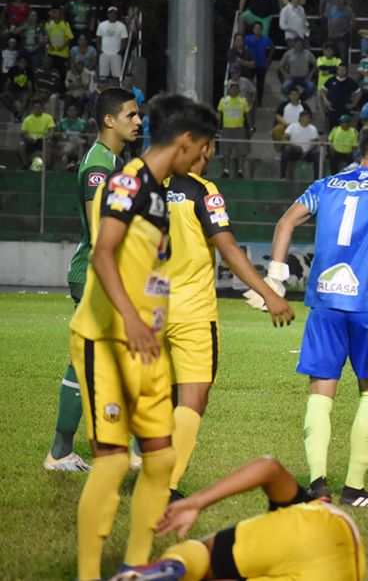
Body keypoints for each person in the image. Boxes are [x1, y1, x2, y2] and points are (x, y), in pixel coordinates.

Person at [69, 95, 219, 580]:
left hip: (147, 345)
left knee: (160, 459)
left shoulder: (160, 193)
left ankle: (134, 567)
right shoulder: (127, 181)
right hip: (107, 341)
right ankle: (88, 574)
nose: (204, 158)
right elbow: (103, 253)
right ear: (185, 142)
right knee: (113, 462)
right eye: (202, 148)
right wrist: (133, 319)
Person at [269, 123, 368, 507]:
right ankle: (355, 488)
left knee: (321, 393)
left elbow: (286, 222)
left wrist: (275, 277)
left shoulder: (326, 184)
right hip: (367, 306)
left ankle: (318, 484)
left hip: (325, 304)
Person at [164, 139, 294, 500]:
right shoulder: (202, 191)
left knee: (162, 395)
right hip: (191, 311)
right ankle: (167, 484)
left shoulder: (149, 185)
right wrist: (269, 293)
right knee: (192, 399)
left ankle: (145, 460)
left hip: (150, 307)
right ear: (201, 149)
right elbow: (228, 248)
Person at [43, 89, 140, 472]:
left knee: (89, 361)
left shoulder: (112, 161)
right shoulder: (99, 165)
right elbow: (102, 231)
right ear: (109, 120)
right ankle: (137, 450)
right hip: (98, 275)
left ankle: (63, 451)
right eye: (131, 115)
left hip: (99, 274)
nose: (138, 121)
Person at [109, 458, 365, 581]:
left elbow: (269, 468)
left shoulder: (304, 510)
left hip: (320, 525)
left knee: (204, 557)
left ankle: (178, 563)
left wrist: (198, 502)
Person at [216, 81, 252, 179]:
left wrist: (250, 127)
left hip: (239, 128)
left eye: (236, 88)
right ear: (229, 90)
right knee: (225, 151)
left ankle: (240, 171)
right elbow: (219, 114)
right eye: (232, 88)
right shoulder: (223, 101)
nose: (234, 90)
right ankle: (226, 170)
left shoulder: (243, 101)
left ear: (238, 90)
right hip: (227, 128)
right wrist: (217, 126)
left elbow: (247, 114)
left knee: (241, 151)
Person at [281, 111, 322, 180]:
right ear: (301, 118)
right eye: (306, 117)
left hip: (308, 153)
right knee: (286, 151)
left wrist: (307, 151)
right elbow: (284, 139)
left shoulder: (313, 128)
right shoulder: (292, 126)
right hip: (295, 151)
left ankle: (316, 178)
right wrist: (294, 146)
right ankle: (283, 176)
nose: (308, 119)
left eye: (309, 117)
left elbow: (314, 143)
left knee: (317, 154)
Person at [18, 99, 54, 169]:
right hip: (30, 140)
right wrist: (28, 138)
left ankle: (48, 166)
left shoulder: (48, 117)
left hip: (43, 140)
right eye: (35, 108)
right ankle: (25, 165)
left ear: (42, 108)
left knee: (49, 143)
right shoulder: (27, 119)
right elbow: (23, 133)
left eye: (39, 108)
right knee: (21, 145)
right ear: (32, 109)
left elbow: (51, 130)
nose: (37, 109)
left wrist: (48, 137)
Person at [244, 22, 273, 106]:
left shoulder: (266, 39)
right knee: (248, 83)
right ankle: (248, 101)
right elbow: (242, 47)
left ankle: (259, 102)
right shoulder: (248, 38)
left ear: (261, 29)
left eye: (259, 28)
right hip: (250, 65)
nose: (257, 30)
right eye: (256, 28)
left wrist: (268, 59)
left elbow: (272, 47)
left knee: (260, 84)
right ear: (253, 29)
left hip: (261, 64)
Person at [95, 6, 128, 80]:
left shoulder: (122, 26)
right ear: (108, 14)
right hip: (104, 53)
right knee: (103, 76)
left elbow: (124, 40)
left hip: (116, 54)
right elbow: (98, 38)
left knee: (116, 76)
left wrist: (120, 51)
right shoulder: (101, 25)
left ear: (116, 15)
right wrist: (100, 50)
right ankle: (104, 87)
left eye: (114, 13)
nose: (112, 15)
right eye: (110, 13)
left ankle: (116, 87)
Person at [44, 5, 74, 78]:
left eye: (58, 13)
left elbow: (70, 38)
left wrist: (62, 47)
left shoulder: (65, 24)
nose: (56, 15)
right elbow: (47, 37)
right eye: (55, 13)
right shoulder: (48, 24)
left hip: (62, 54)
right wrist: (50, 45)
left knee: (61, 74)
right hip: (51, 53)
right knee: (49, 73)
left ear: (60, 14)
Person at [326, 0, 354, 64]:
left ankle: (343, 70)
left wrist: (344, 32)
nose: (339, 0)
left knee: (343, 55)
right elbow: (329, 21)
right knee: (333, 54)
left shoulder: (349, 10)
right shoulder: (332, 9)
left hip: (343, 36)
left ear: (344, 0)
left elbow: (352, 23)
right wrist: (329, 32)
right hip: (332, 36)